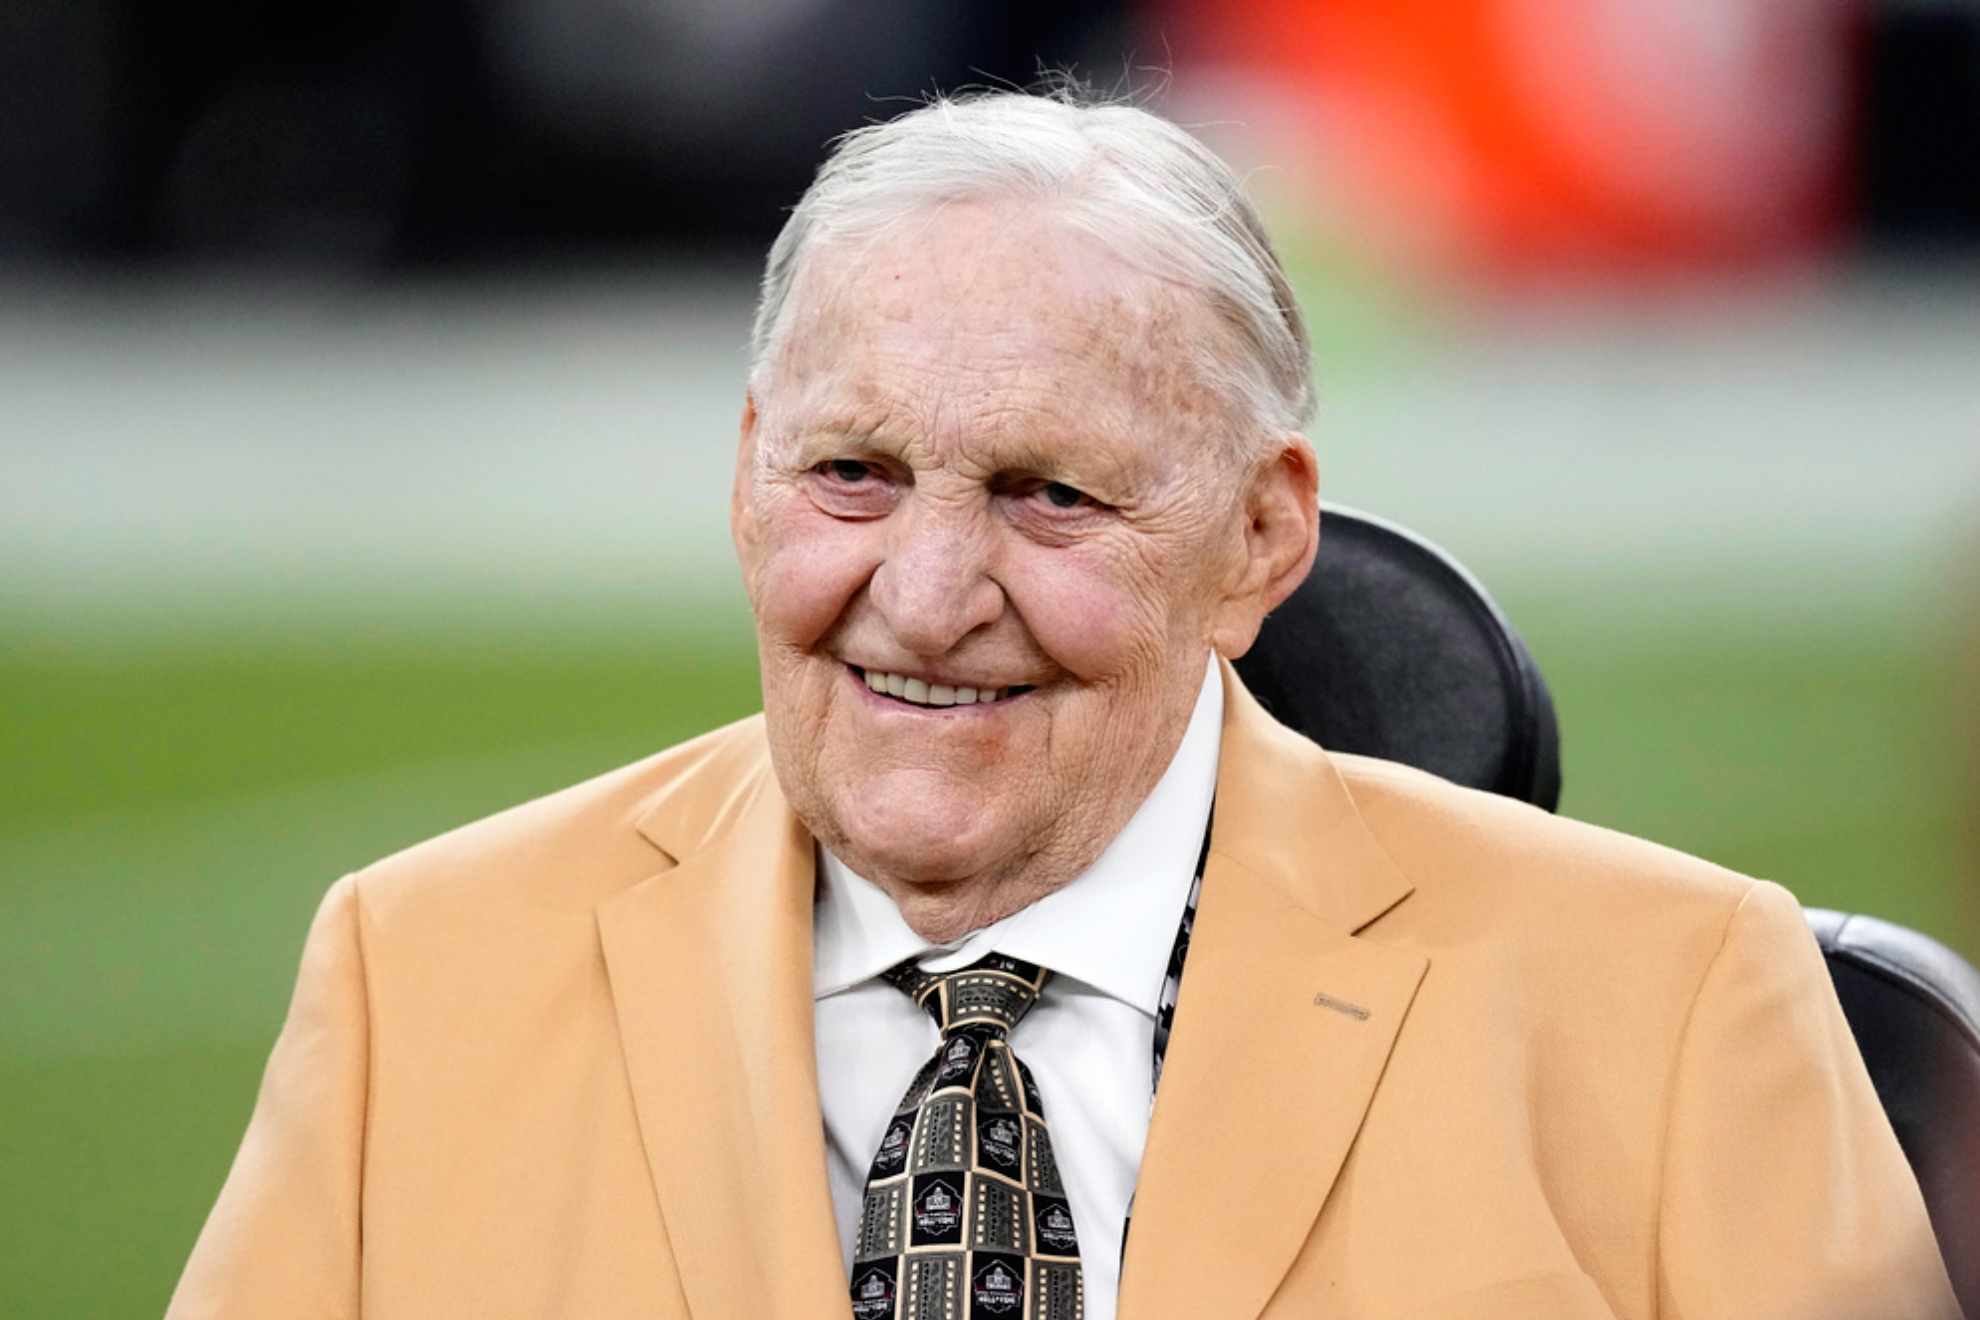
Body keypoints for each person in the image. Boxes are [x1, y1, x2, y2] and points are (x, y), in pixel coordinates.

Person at [168, 89, 1958, 1320]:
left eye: (1052, 495)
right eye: (853, 475)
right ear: (744, 479)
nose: (930, 597)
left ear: (1263, 537)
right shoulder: (419, 981)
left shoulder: (1676, 1006)